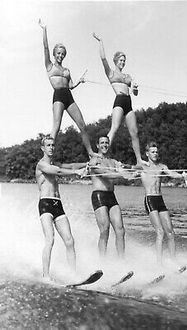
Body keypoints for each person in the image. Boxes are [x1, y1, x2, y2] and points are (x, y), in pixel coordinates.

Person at [38, 19, 94, 157]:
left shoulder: (67, 70)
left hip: (68, 96)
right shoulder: (49, 66)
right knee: (56, 127)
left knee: (82, 125)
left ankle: (91, 152)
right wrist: (44, 29)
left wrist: (79, 82)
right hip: (58, 96)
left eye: (62, 54)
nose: (60, 55)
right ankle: (47, 155)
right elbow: (45, 46)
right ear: (54, 53)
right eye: (58, 53)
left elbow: (70, 86)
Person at [35, 134, 87, 281]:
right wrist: (76, 173)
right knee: (50, 240)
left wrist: (87, 165)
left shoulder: (55, 163)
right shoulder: (42, 165)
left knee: (70, 241)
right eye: (48, 145)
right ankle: (45, 276)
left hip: (58, 204)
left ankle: (73, 275)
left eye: (53, 145)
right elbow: (58, 171)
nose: (51, 147)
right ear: (42, 148)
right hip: (45, 204)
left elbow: (70, 165)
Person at [93, 33, 146, 166]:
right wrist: (101, 41)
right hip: (119, 101)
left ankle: (139, 160)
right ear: (115, 61)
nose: (122, 62)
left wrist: (134, 87)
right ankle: (101, 155)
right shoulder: (111, 73)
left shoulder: (128, 76)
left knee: (134, 132)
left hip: (129, 103)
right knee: (114, 127)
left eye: (124, 60)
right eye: (120, 60)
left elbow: (135, 93)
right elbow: (103, 58)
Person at [140, 141, 187, 265]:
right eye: (152, 152)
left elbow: (171, 173)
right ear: (147, 153)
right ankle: (159, 264)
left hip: (160, 200)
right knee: (160, 232)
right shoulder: (142, 167)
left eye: (156, 151)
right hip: (149, 199)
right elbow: (128, 173)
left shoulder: (162, 166)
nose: (155, 154)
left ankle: (173, 261)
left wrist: (182, 176)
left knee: (170, 232)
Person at [88, 135, 133, 258]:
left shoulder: (113, 162)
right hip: (99, 195)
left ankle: (121, 262)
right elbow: (105, 174)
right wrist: (122, 175)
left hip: (111, 196)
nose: (104, 145)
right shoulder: (94, 160)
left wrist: (130, 171)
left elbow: (125, 169)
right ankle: (102, 262)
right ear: (97, 145)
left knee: (120, 230)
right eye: (102, 142)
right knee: (105, 230)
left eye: (106, 142)